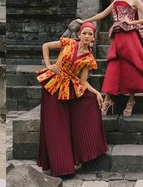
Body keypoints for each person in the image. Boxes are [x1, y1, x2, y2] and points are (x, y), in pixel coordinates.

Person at [76, 0, 143, 116]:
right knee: (114, 67)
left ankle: (131, 100)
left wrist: (132, 23)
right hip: (118, 37)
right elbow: (102, 14)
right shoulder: (117, 0)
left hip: (131, 37)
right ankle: (108, 99)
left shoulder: (136, 0)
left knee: (132, 67)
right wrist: (85, 20)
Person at [36, 22, 108, 177]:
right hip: (52, 86)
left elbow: (83, 81)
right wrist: (48, 64)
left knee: (70, 121)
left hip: (68, 90)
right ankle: (60, 167)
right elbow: (46, 46)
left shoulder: (89, 59)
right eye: (85, 33)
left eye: (90, 34)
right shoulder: (68, 42)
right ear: (79, 35)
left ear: (93, 38)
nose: (87, 36)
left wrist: (96, 93)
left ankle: (72, 161)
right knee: (55, 126)